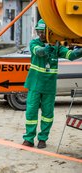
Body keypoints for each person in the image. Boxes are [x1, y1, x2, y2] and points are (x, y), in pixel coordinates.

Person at [22, 19, 82, 149]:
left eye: (43, 32)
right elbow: (39, 51)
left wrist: (80, 50)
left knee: (47, 114)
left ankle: (43, 139)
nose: (40, 35)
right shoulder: (34, 43)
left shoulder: (57, 46)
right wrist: (48, 47)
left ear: (50, 32)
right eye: (39, 32)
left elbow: (71, 55)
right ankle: (29, 139)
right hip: (35, 85)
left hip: (49, 86)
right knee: (31, 112)